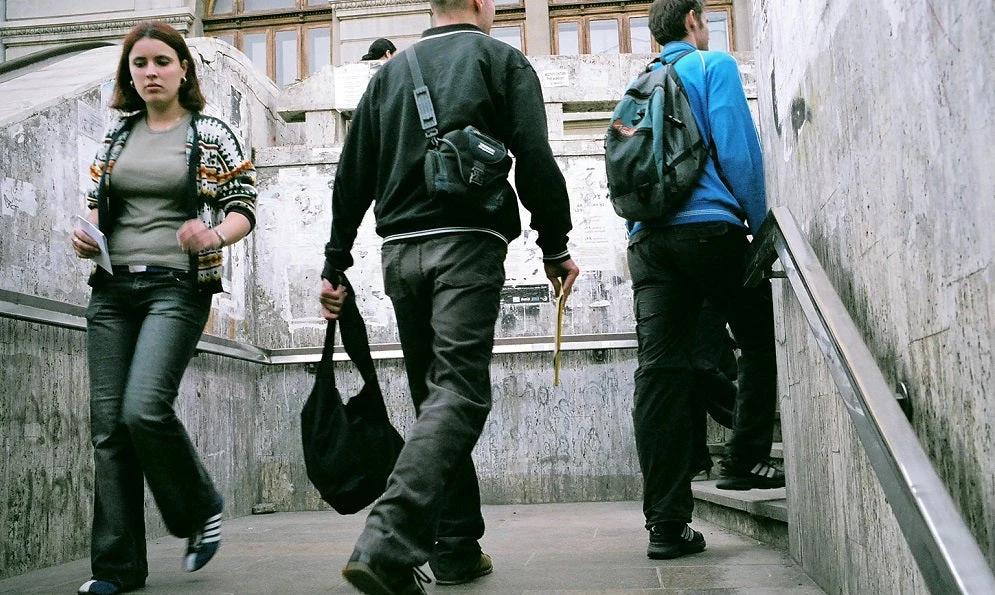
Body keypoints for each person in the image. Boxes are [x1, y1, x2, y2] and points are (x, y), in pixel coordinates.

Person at [318, 0, 579, 592]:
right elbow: (535, 159)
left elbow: (350, 175)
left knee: (434, 399)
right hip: (465, 246)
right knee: (458, 393)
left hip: (400, 255)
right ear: (483, 3)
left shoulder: (387, 74)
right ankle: (386, 541)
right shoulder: (501, 60)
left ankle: (455, 546)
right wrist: (555, 245)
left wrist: (335, 263)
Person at [71, 20, 256, 595]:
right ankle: (116, 569)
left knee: (142, 408)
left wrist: (214, 235)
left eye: (160, 62)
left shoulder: (211, 131)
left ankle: (199, 507)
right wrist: (87, 235)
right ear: (130, 74)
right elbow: (100, 206)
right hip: (112, 290)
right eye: (139, 64)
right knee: (109, 430)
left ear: (183, 69)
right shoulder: (117, 136)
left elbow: (244, 206)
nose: (150, 73)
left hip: (176, 289)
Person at [627, 0, 783, 562]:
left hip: (647, 243)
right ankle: (743, 462)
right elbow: (739, 153)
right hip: (711, 233)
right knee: (761, 338)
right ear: (694, 19)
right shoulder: (710, 66)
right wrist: (761, 223)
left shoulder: (639, 84)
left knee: (660, 375)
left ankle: (666, 526)